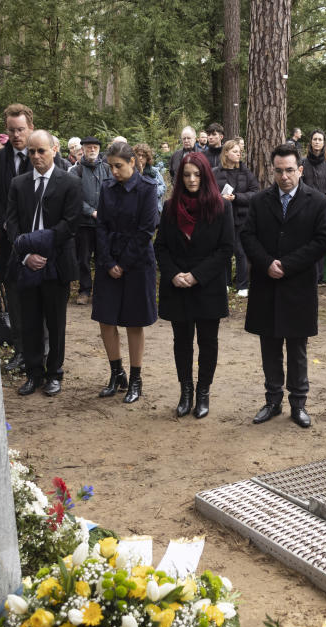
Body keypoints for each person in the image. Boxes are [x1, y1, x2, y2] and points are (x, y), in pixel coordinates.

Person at [242, 144, 326, 428]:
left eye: (290, 170)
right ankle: (272, 400)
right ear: (273, 170)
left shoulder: (317, 201)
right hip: (266, 284)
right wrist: (267, 262)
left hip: (298, 286)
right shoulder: (259, 201)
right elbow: (247, 236)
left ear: (300, 170)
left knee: (297, 348)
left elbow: (322, 241)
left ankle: (298, 403)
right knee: (268, 345)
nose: (284, 176)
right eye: (279, 171)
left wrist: (288, 265)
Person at [155, 152, 233, 418]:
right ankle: (185, 391)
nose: (191, 179)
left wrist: (197, 275)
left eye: (197, 174)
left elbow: (225, 249)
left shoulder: (221, 207)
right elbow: (161, 247)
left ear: (205, 176)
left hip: (207, 286)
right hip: (177, 287)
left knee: (208, 341)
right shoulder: (169, 207)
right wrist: (174, 274)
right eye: (186, 174)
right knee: (182, 341)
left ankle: (203, 393)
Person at [5, 130, 80, 397]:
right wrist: (26, 255)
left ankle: (54, 373)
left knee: (55, 321)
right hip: (27, 263)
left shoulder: (69, 182)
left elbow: (69, 224)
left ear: (54, 150)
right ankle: (33, 373)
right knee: (30, 320)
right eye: (32, 151)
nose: (36, 156)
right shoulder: (19, 184)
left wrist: (42, 248)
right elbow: (11, 224)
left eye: (41, 151)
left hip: (55, 261)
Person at [91, 142, 159, 404]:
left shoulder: (147, 189)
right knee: (105, 319)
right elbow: (102, 227)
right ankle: (116, 373)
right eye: (111, 167)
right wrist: (109, 263)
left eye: (118, 166)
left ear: (132, 162)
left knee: (133, 321)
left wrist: (124, 263)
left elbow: (146, 231)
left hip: (138, 263)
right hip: (109, 262)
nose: (114, 172)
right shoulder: (107, 188)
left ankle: (136, 378)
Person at [0, 104, 36, 372]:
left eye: (21, 129)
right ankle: (20, 351)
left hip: (36, 238)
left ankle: (42, 350)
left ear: (30, 128)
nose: (16, 135)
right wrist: (5, 221)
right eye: (12, 130)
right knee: (14, 297)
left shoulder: (41, 156)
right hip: (8, 240)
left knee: (38, 296)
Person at [213, 138, 258, 297]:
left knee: (240, 251)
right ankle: (224, 282)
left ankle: (242, 285)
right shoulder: (215, 173)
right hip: (221, 218)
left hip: (241, 218)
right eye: (234, 151)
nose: (238, 154)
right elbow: (208, 193)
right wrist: (219, 198)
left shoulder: (245, 172)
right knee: (224, 250)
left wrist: (237, 197)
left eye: (239, 151)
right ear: (226, 152)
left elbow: (255, 192)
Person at [68, 136, 109, 306]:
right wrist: (91, 211)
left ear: (99, 150)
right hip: (83, 224)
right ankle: (84, 290)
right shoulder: (75, 171)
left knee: (103, 258)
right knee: (83, 259)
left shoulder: (107, 168)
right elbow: (73, 197)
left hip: (103, 224)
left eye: (95, 147)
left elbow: (113, 191)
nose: (92, 150)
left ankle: (101, 291)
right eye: (88, 147)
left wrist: (105, 213)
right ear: (82, 149)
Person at [301, 128, 326, 285]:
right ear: (310, 141)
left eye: (320, 139)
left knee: (321, 240)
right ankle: (307, 274)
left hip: (323, 206)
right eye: (314, 139)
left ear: (324, 143)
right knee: (305, 240)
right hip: (306, 206)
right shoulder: (302, 162)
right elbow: (299, 183)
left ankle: (319, 277)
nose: (317, 142)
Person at [133, 143, 166, 217]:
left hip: (153, 208)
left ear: (147, 157)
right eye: (138, 155)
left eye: (143, 156)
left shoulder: (154, 171)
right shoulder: (131, 171)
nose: (140, 158)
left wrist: (153, 192)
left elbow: (163, 186)